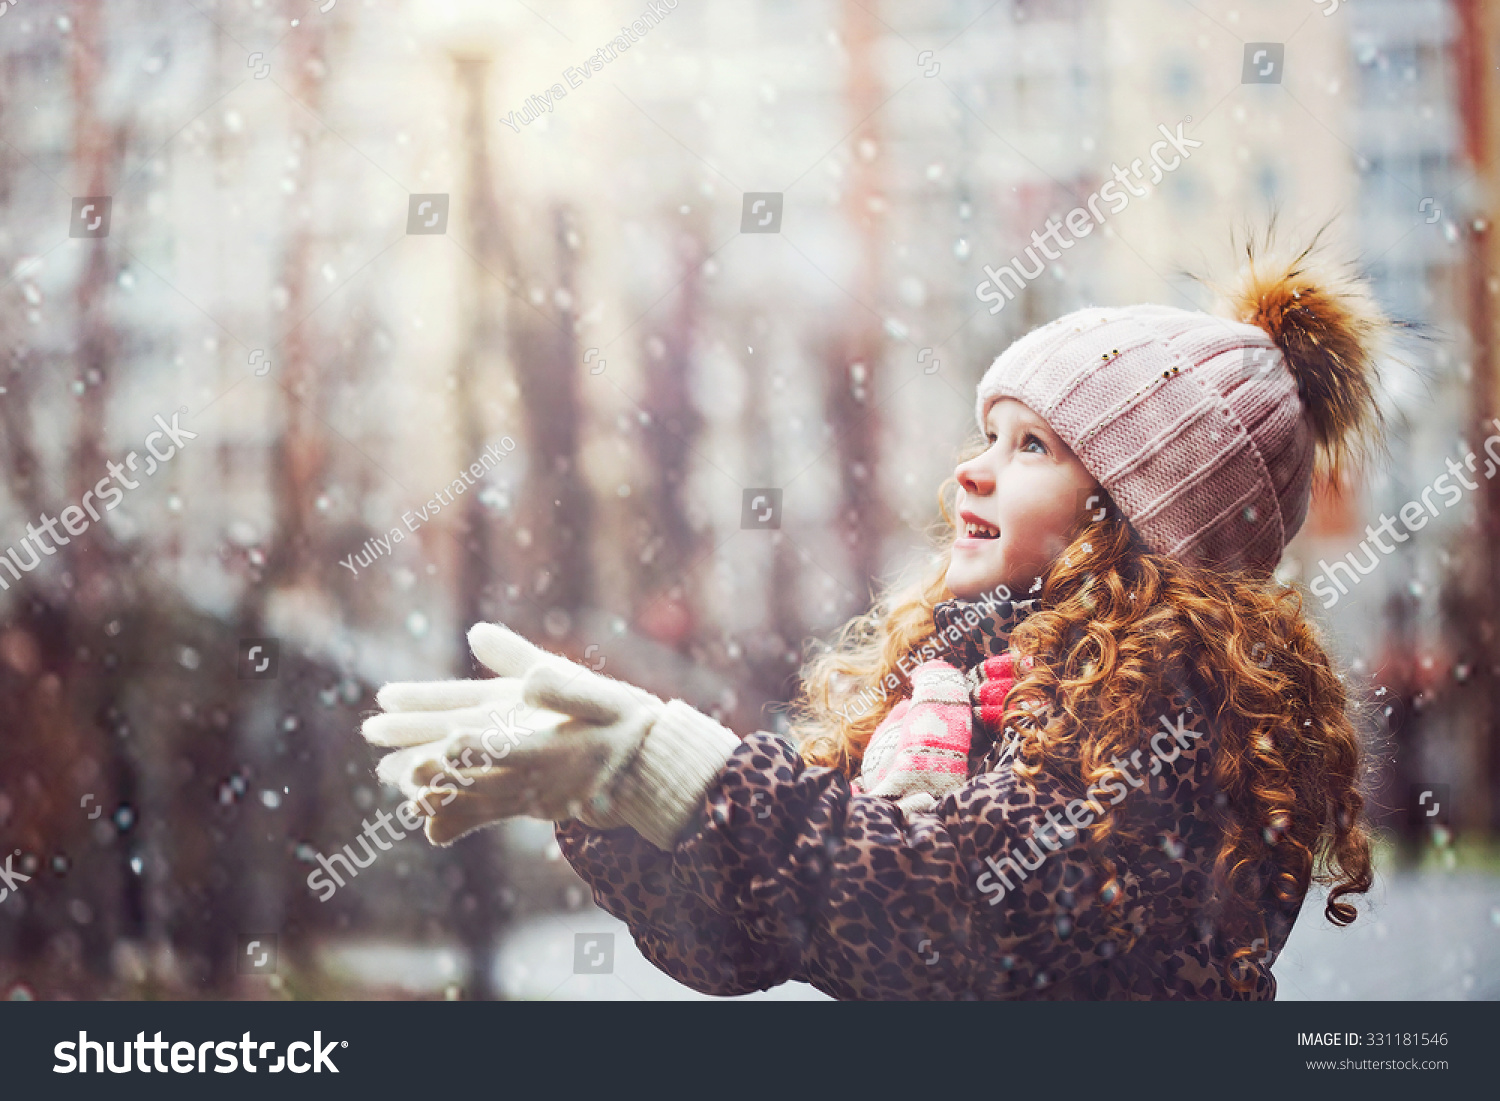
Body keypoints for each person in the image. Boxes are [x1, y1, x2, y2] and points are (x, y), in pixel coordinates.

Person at [361, 233, 1382, 1000]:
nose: (971, 469)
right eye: (990, 432)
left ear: (1136, 509)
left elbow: (963, 908)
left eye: (1033, 447)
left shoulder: (1179, 701)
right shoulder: (961, 684)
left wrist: (680, 766)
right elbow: (765, 931)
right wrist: (609, 800)